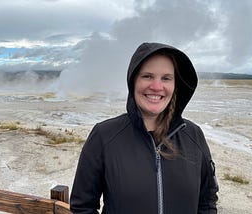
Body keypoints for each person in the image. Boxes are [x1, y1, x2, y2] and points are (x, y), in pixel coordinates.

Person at [70, 42, 219, 214]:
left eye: (166, 78)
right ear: (133, 81)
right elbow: (82, 207)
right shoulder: (104, 136)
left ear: (175, 85)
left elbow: (207, 201)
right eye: (147, 76)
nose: (156, 86)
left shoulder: (193, 134)